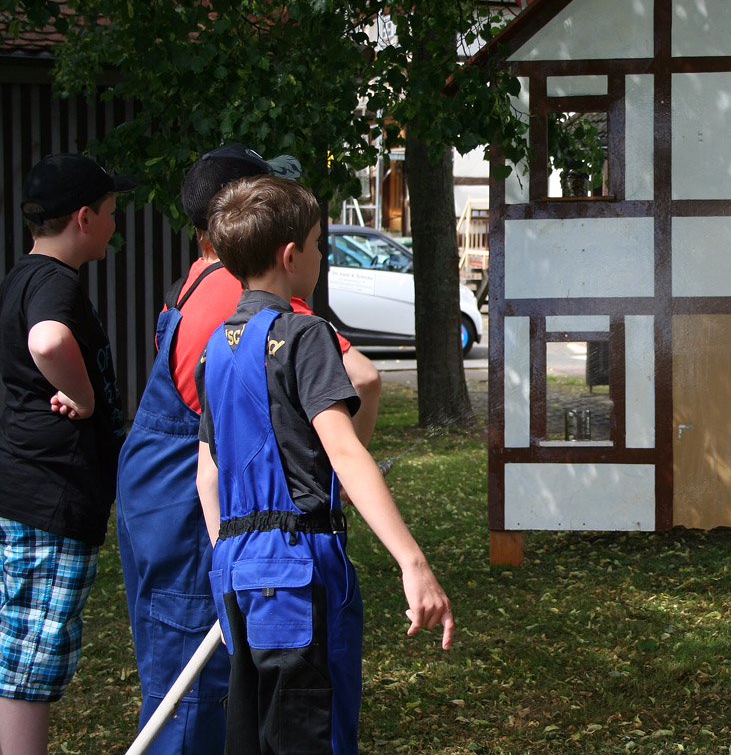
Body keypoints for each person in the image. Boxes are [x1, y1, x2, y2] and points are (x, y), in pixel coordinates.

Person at [115, 144, 382, 754]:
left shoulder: (193, 281)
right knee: (195, 689)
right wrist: (328, 483)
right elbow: (362, 377)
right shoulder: (241, 302)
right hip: (201, 504)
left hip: (154, 492)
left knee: (181, 670)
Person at [195, 175, 452, 754]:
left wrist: (229, 562)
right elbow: (344, 450)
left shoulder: (216, 347)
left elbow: (207, 474)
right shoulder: (305, 335)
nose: (320, 255)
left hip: (234, 570)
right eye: (318, 244)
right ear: (292, 256)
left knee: (256, 737)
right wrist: (412, 562)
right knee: (315, 734)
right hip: (299, 569)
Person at [0, 154, 134, 755]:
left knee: (20, 650)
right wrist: (82, 399)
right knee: (30, 663)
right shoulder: (55, 282)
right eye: (110, 212)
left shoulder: (23, 274)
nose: (114, 225)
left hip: (29, 490)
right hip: (49, 497)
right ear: (83, 218)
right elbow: (48, 340)